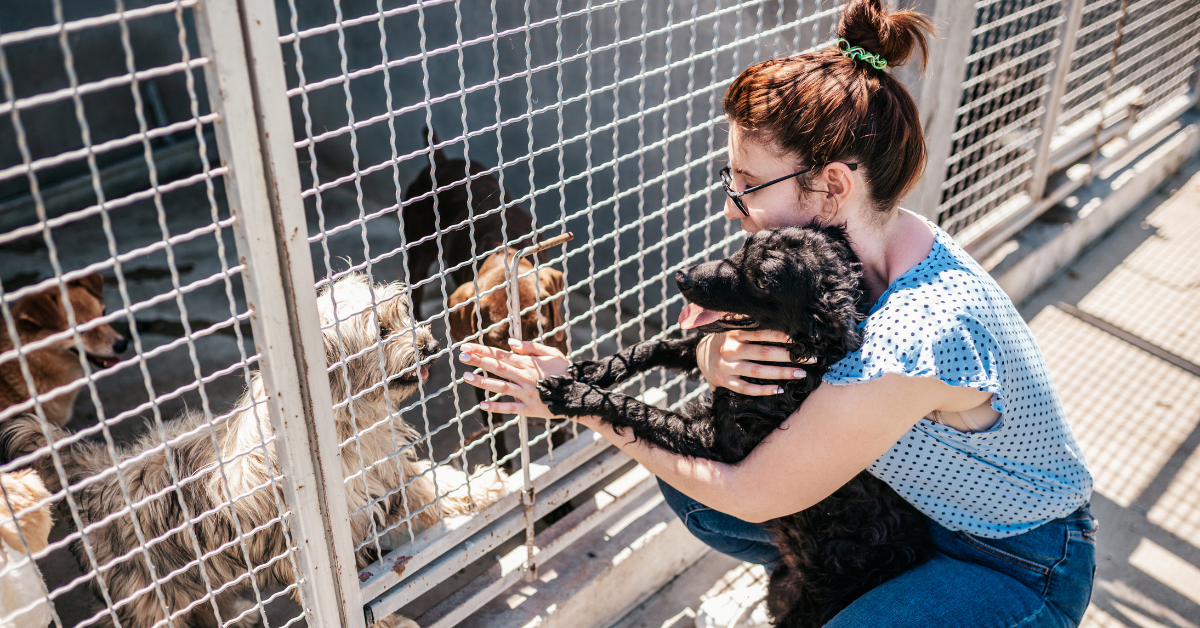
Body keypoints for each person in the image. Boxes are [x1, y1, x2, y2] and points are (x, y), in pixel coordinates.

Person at [458, 1, 1096, 625]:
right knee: (694, 473)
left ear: (832, 186)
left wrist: (581, 402)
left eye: (748, 183)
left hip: (1014, 561)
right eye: (728, 177)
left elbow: (756, 493)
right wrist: (717, 355)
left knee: (714, 476)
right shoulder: (877, 240)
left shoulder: (919, 335)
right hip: (915, 511)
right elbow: (705, 331)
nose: (732, 206)